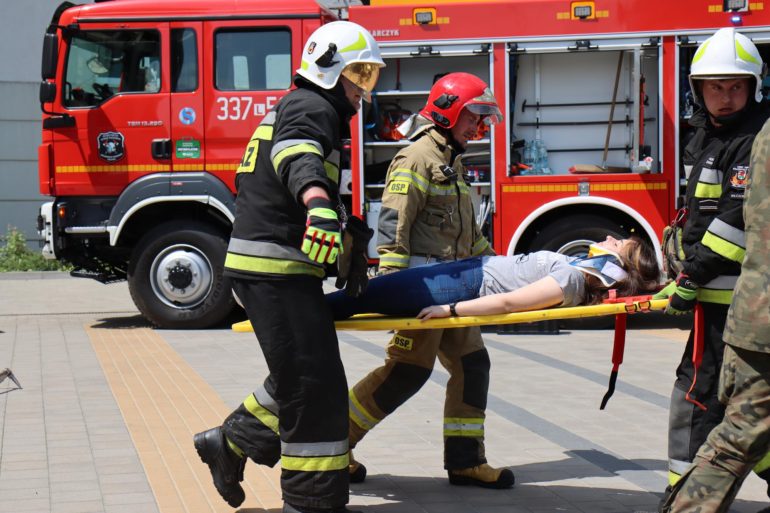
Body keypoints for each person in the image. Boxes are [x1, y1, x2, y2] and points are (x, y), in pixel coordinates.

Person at [192, 21, 384, 513]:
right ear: (328, 70)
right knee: (312, 390)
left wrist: (344, 231)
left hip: (278, 270)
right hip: (272, 271)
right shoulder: (310, 106)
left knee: (305, 374)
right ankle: (310, 502)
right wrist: (320, 203)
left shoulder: (302, 105)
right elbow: (296, 157)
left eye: (370, 75)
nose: (363, 88)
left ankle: (231, 441)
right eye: (358, 73)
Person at [346, 72, 511, 490]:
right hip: (420, 290)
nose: (479, 127)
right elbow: (392, 226)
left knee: (473, 365)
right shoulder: (416, 158)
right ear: (449, 112)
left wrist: (504, 272)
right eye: (474, 117)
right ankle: (333, 444)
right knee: (406, 373)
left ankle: (466, 461)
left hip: (451, 289)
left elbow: (467, 235)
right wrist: (391, 287)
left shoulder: (451, 162)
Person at [654, 27, 770, 506]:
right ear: (698, 90)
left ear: (753, 88)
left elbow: (735, 223)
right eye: (715, 87)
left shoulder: (750, 140)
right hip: (715, 301)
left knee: (702, 402)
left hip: (730, 303)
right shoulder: (708, 135)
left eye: (736, 86)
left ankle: (682, 496)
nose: (726, 97)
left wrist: (690, 277)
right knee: (743, 411)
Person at [327, 236, 660, 320]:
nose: (607, 238)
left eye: (617, 243)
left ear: (618, 262)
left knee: (359, 298)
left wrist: (451, 310)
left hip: (459, 287)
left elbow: (508, 303)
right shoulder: (575, 274)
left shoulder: (570, 282)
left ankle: (296, 312)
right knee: (362, 297)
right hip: (464, 275)